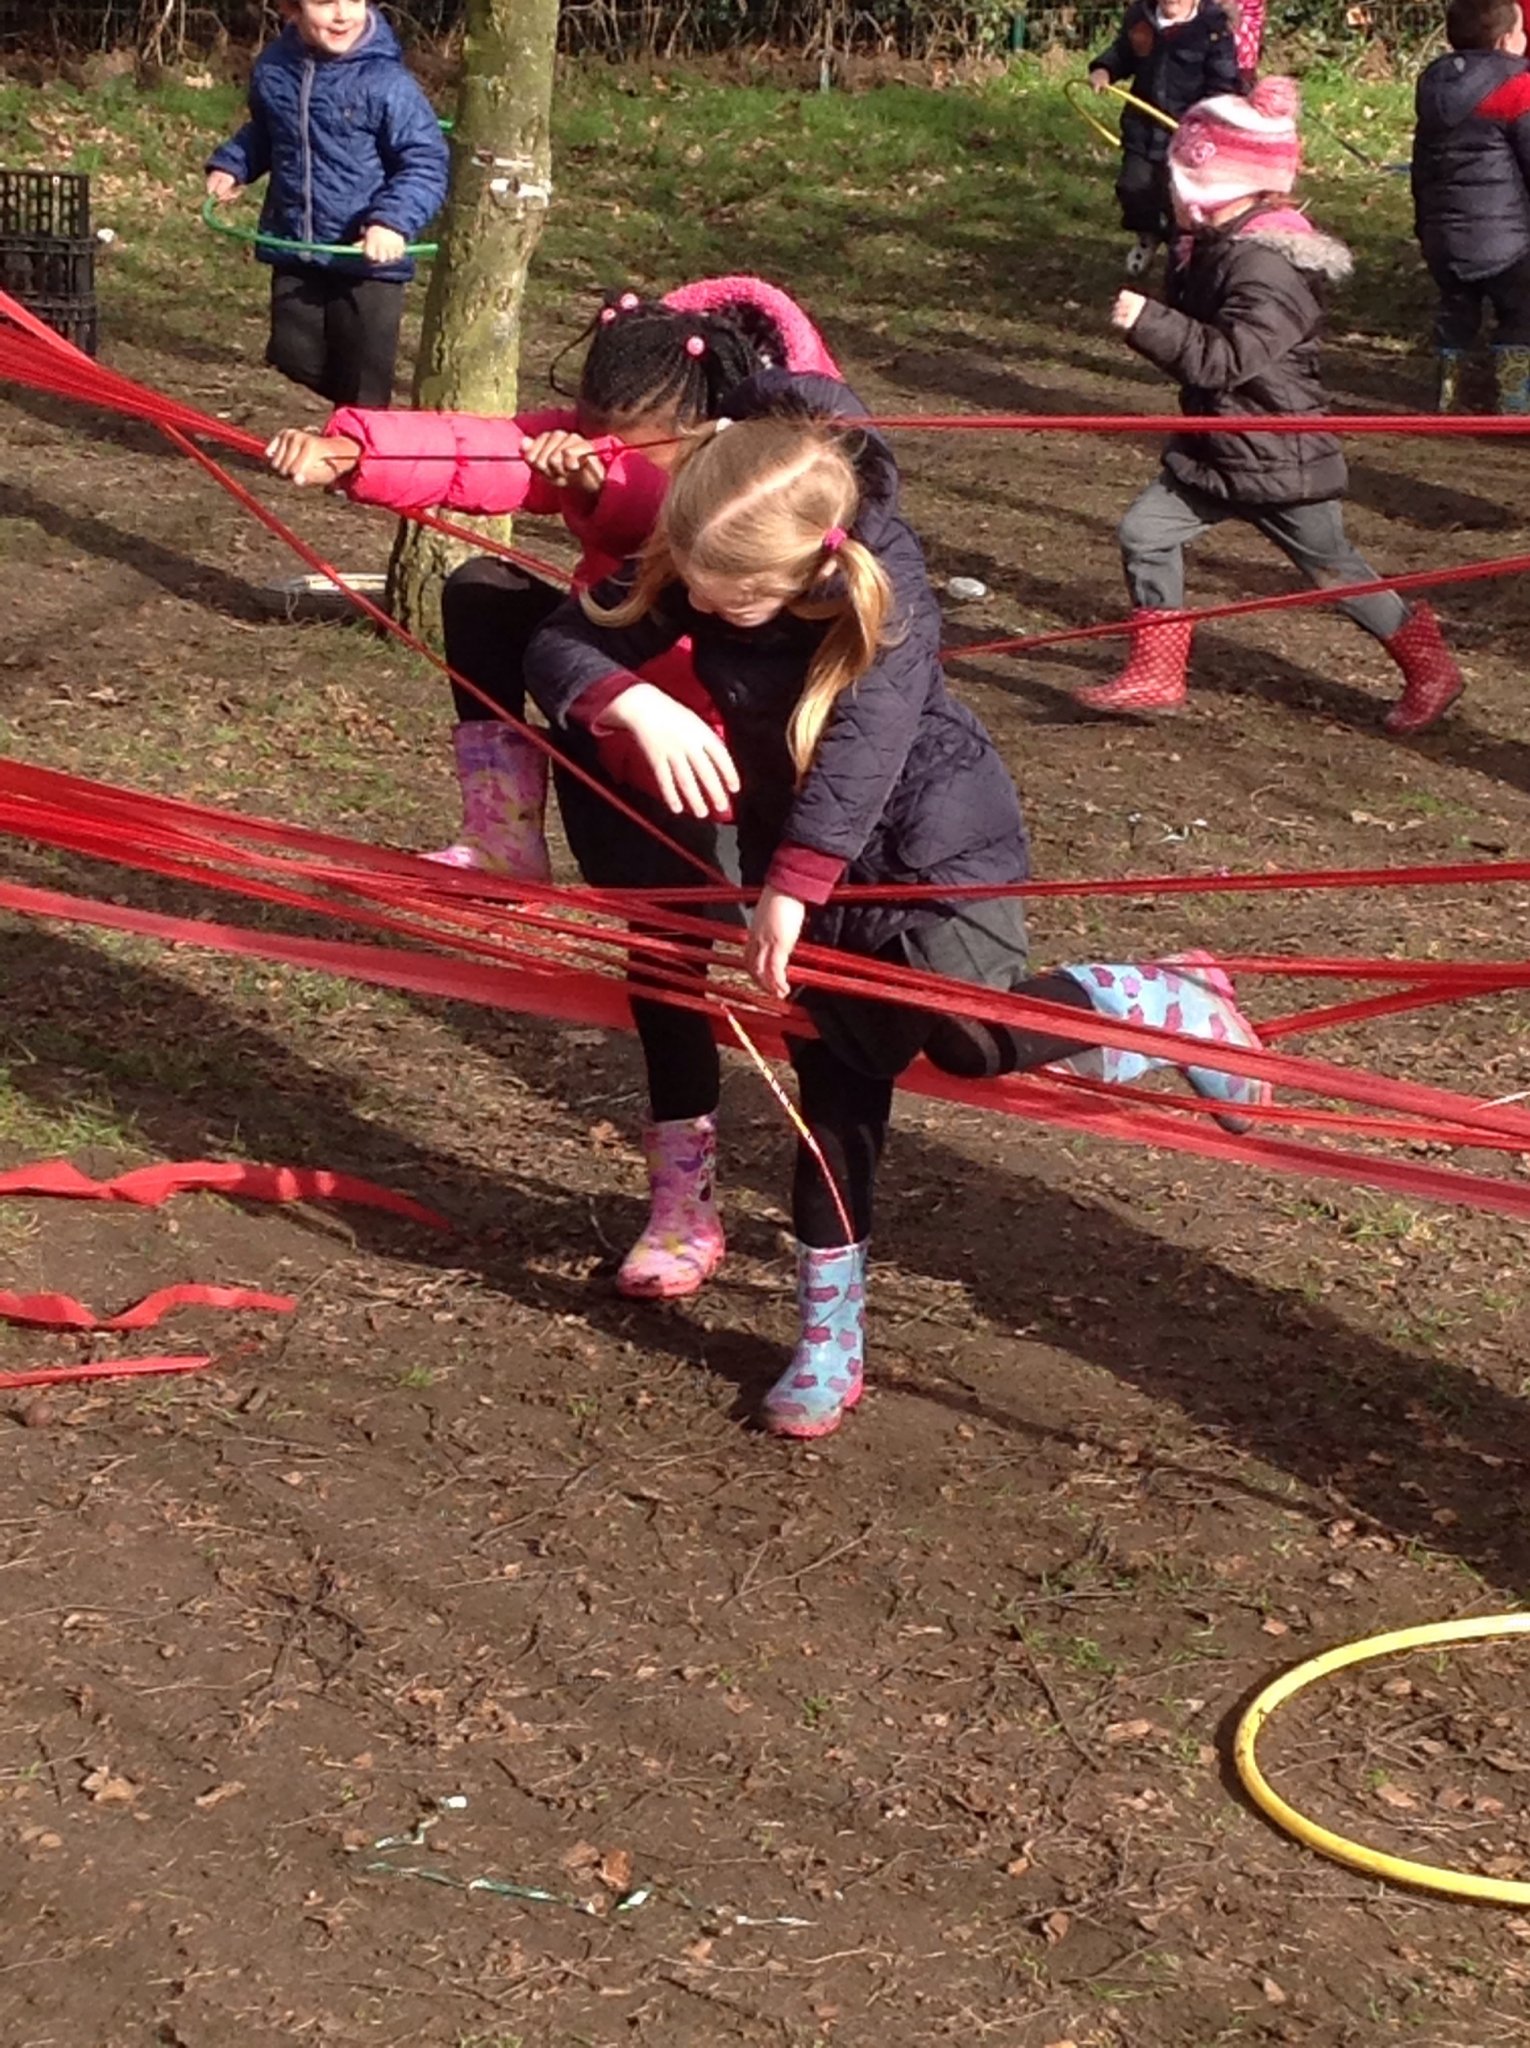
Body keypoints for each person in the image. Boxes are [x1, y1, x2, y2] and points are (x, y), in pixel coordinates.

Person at [523, 392, 1272, 1440]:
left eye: (728, 600)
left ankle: (1163, 995)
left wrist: (791, 885)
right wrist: (624, 696)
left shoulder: (884, 593)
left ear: (803, 572)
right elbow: (560, 639)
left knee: (965, 1040)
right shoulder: (703, 554)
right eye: (688, 584)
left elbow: (864, 751)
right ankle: (830, 1338)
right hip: (810, 857)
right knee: (835, 1084)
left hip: (934, 849)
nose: (696, 606)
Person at [265, 280, 841, 1304]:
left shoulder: (776, 473)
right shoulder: (601, 445)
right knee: (660, 973)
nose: (607, 451)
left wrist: (599, 494)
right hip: (620, 739)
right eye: (594, 436)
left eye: (636, 443)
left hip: (737, 762)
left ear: (705, 420)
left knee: (828, 1002)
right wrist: (346, 449)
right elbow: (474, 448)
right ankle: (681, 1200)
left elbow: (683, 538)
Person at [1087, 76, 1467, 736]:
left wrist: (1149, 321)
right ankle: (1157, 673)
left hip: (1275, 454)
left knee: (1334, 571)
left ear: (1223, 192)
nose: (1170, 194)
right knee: (1144, 534)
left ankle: (1430, 669)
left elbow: (1225, 358)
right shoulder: (1213, 246)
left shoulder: (1267, 267)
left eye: (1181, 184)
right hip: (1214, 446)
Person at [206, 0, 449, 409]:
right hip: (296, 243)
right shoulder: (274, 69)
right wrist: (235, 164)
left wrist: (392, 222)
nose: (342, 14)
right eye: (323, 2)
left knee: (364, 381)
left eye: (353, 0)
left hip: (367, 257)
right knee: (291, 354)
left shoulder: (387, 83)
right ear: (291, 10)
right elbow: (268, 131)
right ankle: (351, 427)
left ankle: (362, 451)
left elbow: (425, 160)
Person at [1412, 0, 1530, 415]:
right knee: (1520, 312)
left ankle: (1448, 393)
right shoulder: (1517, 88)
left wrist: (1423, 222)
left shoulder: (1434, 84)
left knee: (1456, 308)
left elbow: (1422, 162)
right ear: (1505, 41)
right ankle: (1516, 402)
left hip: (1443, 231)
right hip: (1507, 238)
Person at [1089, 0, 1243, 276]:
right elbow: (1123, 53)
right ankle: (1149, 232)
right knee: (1132, 187)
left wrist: (1208, 121)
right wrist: (1105, 69)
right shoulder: (1141, 17)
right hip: (1142, 128)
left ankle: (1180, 261)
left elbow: (1223, 82)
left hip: (1187, 136)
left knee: (1180, 204)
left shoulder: (1213, 29)